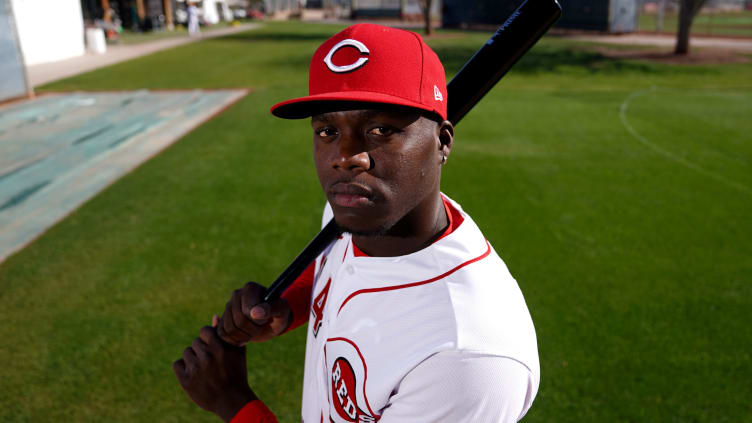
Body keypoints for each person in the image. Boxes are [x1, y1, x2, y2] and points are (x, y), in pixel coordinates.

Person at [173, 23, 540, 423]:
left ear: (443, 142)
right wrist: (289, 308)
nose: (346, 156)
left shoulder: (466, 358)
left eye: (381, 129)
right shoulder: (356, 213)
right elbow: (342, 268)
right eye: (328, 130)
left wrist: (235, 404)